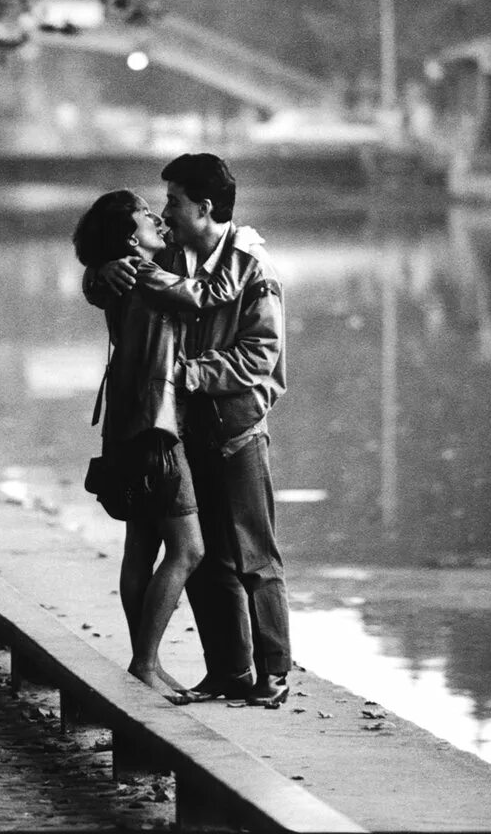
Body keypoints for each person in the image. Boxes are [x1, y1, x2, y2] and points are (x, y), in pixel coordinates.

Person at [89, 153, 292, 708]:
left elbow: (261, 359)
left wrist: (185, 375)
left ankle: (274, 671)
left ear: (203, 208)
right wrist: (98, 273)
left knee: (254, 555)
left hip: (236, 429)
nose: (165, 212)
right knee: (206, 564)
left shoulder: (253, 268)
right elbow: (113, 269)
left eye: (173, 202)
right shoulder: (170, 253)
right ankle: (228, 671)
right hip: (177, 432)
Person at [72, 189, 246, 701]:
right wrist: (240, 249)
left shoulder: (123, 272)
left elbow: (103, 284)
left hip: (127, 425)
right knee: (188, 548)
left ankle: (145, 663)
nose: (157, 217)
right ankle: (144, 662)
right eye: (147, 214)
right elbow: (201, 296)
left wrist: (95, 273)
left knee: (141, 546)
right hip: (155, 424)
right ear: (131, 235)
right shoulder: (143, 272)